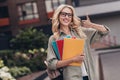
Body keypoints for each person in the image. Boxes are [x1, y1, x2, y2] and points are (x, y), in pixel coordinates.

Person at [46, 4, 110, 80]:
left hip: (90, 76)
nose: (67, 17)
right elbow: (51, 64)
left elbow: (105, 31)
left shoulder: (81, 33)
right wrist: (73, 60)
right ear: (58, 16)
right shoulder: (54, 38)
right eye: (64, 14)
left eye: (70, 15)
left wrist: (91, 25)